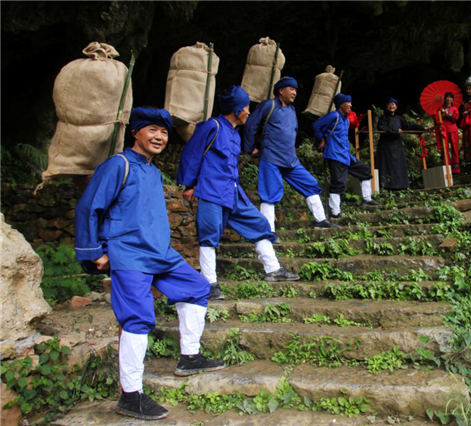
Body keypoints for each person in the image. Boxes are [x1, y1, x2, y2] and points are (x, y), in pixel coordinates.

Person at [75, 107, 225, 420]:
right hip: (129, 254)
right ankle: (131, 395)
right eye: (152, 130)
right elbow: (89, 207)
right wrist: (94, 251)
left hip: (160, 253)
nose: (159, 137)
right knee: (137, 318)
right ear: (136, 132)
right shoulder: (119, 165)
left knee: (198, 287)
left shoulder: (152, 171)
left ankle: (190, 356)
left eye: (165, 132)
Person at [177, 85, 299, 302]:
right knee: (209, 235)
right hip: (212, 190)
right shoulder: (212, 126)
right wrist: (189, 184)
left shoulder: (234, 132)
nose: (249, 112)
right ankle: (210, 284)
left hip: (233, 191)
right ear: (235, 109)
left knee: (258, 224)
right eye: (246, 108)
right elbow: (192, 153)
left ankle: (273, 269)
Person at [243, 77, 336, 232]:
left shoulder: (292, 110)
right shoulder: (269, 105)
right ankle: (268, 231)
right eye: (291, 89)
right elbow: (250, 125)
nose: (294, 93)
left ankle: (321, 220)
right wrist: (250, 148)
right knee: (270, 192)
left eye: (296, 90)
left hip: (290, 159)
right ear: (281, 90)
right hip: (271, 157)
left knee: (310, 183)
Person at [312, 93, 380, 218]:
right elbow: (316, 125)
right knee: (338, 182)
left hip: (346, 156)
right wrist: (321, 139)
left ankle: (367, 199)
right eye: (347, 102)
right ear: (340, 104)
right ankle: (335, 211)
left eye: (350, 102)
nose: (350, 105)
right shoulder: (333, 116)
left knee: (365, 171)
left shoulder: (346, 120)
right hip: (334, 155)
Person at [376, 97, 427, 189]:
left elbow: (409, 125)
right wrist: (395, 130)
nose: (391, 106)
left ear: (396, 107)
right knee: (386, 165)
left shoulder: (399, 118)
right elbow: (381, 127)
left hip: (397, 145)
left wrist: (422, 128)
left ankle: (400, 186)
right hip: (386, 145)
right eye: (390, 104)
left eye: (393, 104)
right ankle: (386, 186)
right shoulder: (383, 118)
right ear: (386, 106)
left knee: (398, 165)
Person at [433, 93, 461, 174]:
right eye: (447, 97)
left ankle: (456, 168)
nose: (448, 99)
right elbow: (437, 120)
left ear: (452, 99)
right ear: (445, 99)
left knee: (454, 148)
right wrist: (441, 114)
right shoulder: (440, 109)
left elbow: (455, 118)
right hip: (444, 131)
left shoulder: (454, 108)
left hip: (453, 130)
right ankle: (446, 168)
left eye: (450, 97)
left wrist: (447, 114)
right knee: (444, 149)